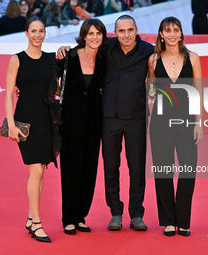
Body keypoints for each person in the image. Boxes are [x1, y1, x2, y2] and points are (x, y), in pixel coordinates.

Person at [57, 15, 154, 231]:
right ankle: (116, 212)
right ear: (115, 33)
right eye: (121, 31)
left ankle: (137, 213)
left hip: (136, 117)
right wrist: (65, 48)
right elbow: (86, 45)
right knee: (111, 167)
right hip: (107, 118)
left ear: (137, 30)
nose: (126, 35)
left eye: (130, 30)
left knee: (136, 167)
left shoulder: (149, 51)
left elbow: (168, 61)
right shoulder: (106, 47)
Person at [148, 16, 203, 237]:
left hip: (187, 120)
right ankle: (169, 220)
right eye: (167, 30)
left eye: (176, 30)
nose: (172, 34)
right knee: (163, 170)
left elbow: (198, 91)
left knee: (188, 169)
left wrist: (199, 122)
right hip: (160, 121)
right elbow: (151, 90)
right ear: (161, 34)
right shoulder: (153, 60)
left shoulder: (193, 58)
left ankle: (184, 219)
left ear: (181, 34)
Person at [5, 16, 57, 243]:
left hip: (46, 120)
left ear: (45, 33)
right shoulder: (16, 59)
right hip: (25, 121)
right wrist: (11, 125)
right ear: (26, 33)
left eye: (41, 31)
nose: (37, 35)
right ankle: (36, 223)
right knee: (35, 171)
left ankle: (29, 217)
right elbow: (8, 93)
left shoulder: (51, 58)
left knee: (41, 170)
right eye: (33, 31)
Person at [58, 18, 107, 235]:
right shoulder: (67, 57)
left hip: (94, 124)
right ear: (84, 36)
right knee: (71, 170)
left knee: (89, 170)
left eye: (99, 34)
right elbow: (46, 77)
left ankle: (80, 216)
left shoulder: (105, 59)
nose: (95, 37)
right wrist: (21, 90)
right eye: (91, 34)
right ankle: (68, 217)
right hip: (70, 123)